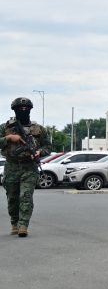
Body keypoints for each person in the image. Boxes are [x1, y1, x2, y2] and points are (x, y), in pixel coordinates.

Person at [3, 97, 52, 237]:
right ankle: (14, 222)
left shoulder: (39, 129)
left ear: (30, 110)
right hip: (11, 167)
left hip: (29, 168)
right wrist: (8, 138)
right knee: (12, 198)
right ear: (14, 110)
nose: (23, 111)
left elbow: (47, 146)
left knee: (26, 196)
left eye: (26, 109)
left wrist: (39, 152)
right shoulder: (5, 127)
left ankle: (23, 225)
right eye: (20, 109)